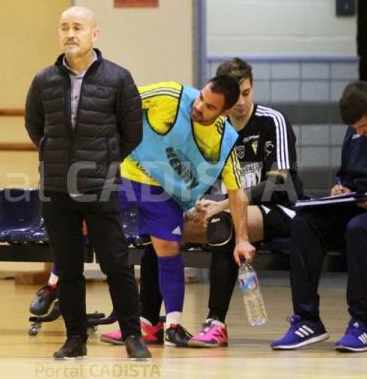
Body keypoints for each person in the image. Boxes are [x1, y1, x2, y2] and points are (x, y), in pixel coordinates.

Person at [24, 6, 150, 360]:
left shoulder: (119, 79)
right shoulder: (43, 80)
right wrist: (55, 153)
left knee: (116, 263)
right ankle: (75, 338)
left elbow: (132, 133)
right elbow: (35, 128)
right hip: (56, 186)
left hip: (101, 184)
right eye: (64, 27)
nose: (70, 34)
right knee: (67, 266)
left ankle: (132, 335)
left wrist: (105, 160)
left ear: (95, 34)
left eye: (78, 27)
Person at [101, 75, 256, 348]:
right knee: (86, 220)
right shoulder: (170, 94)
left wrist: (242, 239)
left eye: (210, 107)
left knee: (167, 248)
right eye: (201, 99)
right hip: (127, 175)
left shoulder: (225, 140)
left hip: (165, 194)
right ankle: (54, 285)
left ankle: (172, 325)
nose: (199, 107)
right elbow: (121, 102)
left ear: (224, 112)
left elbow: (236, 192)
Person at [179, 57, 303, 347]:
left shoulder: (272, 121)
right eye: (235, 97)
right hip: (232, 208)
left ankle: (215, 323)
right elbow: (200, 179)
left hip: (280, 209)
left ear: (252, 87)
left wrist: (222, 205)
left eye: (246, 93)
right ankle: (154, 320)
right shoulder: (215, 128)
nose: (241, 102)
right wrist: (195, 205)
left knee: (226, 223)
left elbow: (279, 182)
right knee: (168, 226)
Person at [271, 81, 367, 352]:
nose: (359, 133)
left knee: (360, 229)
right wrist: (342, 187)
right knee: (304, 223)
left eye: (364, 127)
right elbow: (347, 173)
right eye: (355, 129)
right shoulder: (356, 132)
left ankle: (361, 324)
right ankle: (307, 320)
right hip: (362, 204)